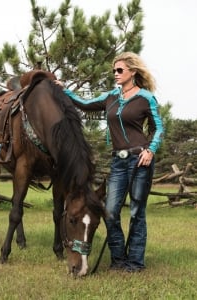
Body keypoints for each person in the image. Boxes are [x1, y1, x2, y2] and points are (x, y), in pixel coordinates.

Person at [55, 52, 164, 272]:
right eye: (114, 70)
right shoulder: (110, 97)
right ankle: (118, 260)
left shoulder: (146, 98)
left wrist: (150, 150)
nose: (115, 74)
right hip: (118, 163)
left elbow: (158, 128)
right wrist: (63, 89)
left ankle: (134, 263)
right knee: (111, 213)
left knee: (136, 212)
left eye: (120, 70)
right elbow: (84, 104)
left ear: (132, 72)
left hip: (139, 160)